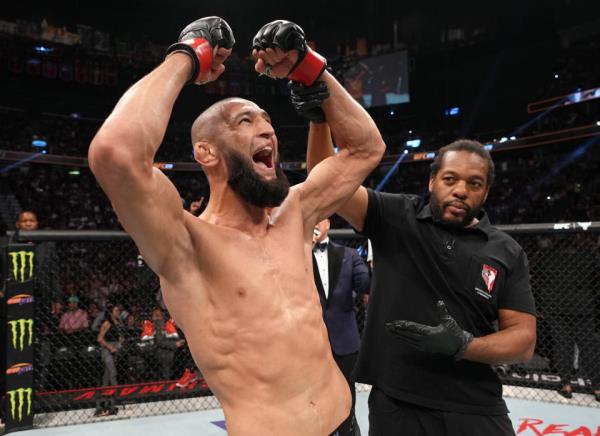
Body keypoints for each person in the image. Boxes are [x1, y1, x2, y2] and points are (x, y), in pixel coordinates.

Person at [88, 17, 384, 435]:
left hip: (346, 422)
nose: (266, 128)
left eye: (267, 120)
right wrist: (188, 55)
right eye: (245, 121)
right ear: (206, 152)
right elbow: (115, 154)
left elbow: (366, 148)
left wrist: (311, 68)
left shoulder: (294, 214)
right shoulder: (186, 244)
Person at [302, 112, 535, 434]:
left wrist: (464, 345)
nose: (461, 190)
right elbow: (323, 183)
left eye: (474, 183)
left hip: (475, 404)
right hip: (397, 402)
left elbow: (523, 341)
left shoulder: (506, 250)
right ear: (432, 181)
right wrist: (319, 120)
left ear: (486, 192)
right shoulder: (396, 216)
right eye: (450, 179)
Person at [312, 218, 370, 423]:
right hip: (310, 341)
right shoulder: (296, 256)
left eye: (319, 218)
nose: (315, 223)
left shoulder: (349, 254)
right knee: (313, 397)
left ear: (327, 223)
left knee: (347, 395)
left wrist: (374, 262)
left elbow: (365, 284)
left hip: (344, 339)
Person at [96, 304, 124, 416]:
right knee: (113, 372)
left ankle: (103, 399)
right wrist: (110, 347)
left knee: (107, 375)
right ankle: (116, 397)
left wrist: (120, 342)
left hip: (115, 348)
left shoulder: (118, 322)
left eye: (119, 310)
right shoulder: (107, 323)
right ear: (111, 312)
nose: (118, 312)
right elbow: (99, 338)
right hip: (107, 350)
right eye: (116, 310)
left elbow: (119, 336)